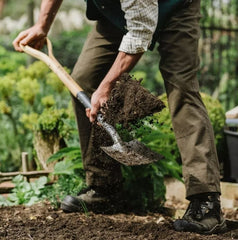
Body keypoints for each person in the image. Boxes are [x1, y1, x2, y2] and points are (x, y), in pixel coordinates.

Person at [13, 0, 227, 234]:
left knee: (181, 89)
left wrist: (107, 86)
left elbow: (141, 31)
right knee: (84, 79)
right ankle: (105, 188)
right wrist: (42, 25)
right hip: (118, 13)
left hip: (175, 6)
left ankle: (206, 202)